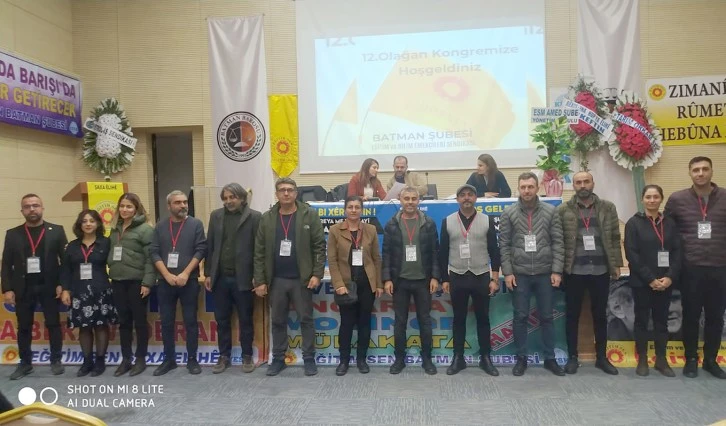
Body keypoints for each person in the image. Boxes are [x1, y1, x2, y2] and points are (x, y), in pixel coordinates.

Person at [253, 178, 326, 376]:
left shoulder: (309, 214)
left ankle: (309, 359)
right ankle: (278, 359)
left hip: (302, 279)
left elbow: (319, 247)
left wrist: (317, 274)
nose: (286, 193)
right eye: (282, 190)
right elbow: (259, 251)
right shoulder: (267, 218)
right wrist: (260, 281)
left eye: (290, 190)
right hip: (276, 279)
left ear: (296, 193)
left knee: (306, 320)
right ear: (276, 194)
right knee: (277, 321)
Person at [664, 156, 726, 379]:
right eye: (696, 170)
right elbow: (666, 233)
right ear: (690, 173)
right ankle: (691, 359)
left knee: (715, 317)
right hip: (690, 268)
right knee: (690, 315)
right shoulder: (677, 199)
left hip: (720, 267)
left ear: (711, 171)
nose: (700, 173)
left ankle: (710, 360)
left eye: (704, 169)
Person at [558, 171, 623, 375]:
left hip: (600, 269)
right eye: (578, 182)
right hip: (574, 271)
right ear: (573, 186)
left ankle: (601, 358)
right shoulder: (563, 210)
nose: (583, 185)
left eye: (586, 181)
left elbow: (615, 237)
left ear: (593, 183)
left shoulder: (607, 207)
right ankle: (572, 357)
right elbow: (559, 241)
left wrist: (617, 264)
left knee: (600, 315)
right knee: (572, 316)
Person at [500, 172, 564, 376]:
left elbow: (558, 242)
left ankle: (550, 359)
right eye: (523, 187)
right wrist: (508, 273)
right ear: (518, 189)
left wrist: (557, 270)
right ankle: (521, 358)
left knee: (547, 317)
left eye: (530, 187)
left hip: (545, 273)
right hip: (520, 274)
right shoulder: (508, 213)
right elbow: (504, 245)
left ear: (537, 188)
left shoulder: (551, 211)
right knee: (520, 317)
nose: (526, 190)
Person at [2, 194, 67, 380]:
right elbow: (6, 264)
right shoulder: (12, 234)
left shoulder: (56, 231)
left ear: (42, 208)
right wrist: (7, 288)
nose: (32, 209)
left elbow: (65, 262)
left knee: (53, 324)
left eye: (35, 205)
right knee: (24, 326)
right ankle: (25, 363)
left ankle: (56, 360)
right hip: (23, 287)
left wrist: (62, 284)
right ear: (22, 210)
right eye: (27, 206)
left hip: (49, 287)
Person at [439, 184, 501, 376]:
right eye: (463, 195)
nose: (466, 198)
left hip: (481, 275)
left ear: (475, 198)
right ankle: (458, 358)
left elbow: (494, 251)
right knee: (459, 319)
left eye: (470, 195)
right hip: (457, 276)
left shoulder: (486, 220)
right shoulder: (447, 221)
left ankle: (485, 358)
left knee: (483, 318)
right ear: (458, 199)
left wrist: (495, 278)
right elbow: (442, 253)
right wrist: (444, 279)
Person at [624, 184, 682, 377]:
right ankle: (642, 359)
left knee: (661, 322)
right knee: (641, 320)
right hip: (642, 282)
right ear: (642, 200)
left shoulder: (670, 223)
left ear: (661, 199)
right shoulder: (634, 223)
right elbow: (632, 254)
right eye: (648, 197)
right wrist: (650, 279)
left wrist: (670, 277)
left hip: (665, 281)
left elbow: (677, 252)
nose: (652, 200)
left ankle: (661, 360)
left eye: (656, 197)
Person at [382, 186, 440, 375]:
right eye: (406, 198)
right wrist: (387, 279)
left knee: (425, 321)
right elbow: (386, 253)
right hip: (400, 281)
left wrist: (435, 276)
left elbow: (435, 252)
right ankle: (399, 359)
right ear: (400, 200)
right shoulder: (392, 224)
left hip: (423, 281)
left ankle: (427, 359)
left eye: (413, 199)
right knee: (400, 322)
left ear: (418, 200)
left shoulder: (428, 223)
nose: (410, 202)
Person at [204, 183, 260, 374]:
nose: (228, 201)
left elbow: (259, 250)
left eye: (232, 197)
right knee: (221, 321)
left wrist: (257, 276)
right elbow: (210, 246)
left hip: (243, 278)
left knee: (245, 320)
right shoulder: (216, 216)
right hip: (220, 278)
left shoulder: (255, 217)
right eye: (225, 198)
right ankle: (224, 356)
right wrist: (208, 273)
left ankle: (247, 356)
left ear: (242, 198)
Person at [150, 191, 207, 376]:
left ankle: (192, 359)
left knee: (190, 321)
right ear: (169, 206)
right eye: (178, 202)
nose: (183, 205)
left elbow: (201, 250)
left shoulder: (196, 224)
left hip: (188, 281)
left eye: (185, 202)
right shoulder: (160, 226)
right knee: (166, 322)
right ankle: (169, 360)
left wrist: (185, 273)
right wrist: (166, 274)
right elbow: (154, 252)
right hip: (165, 282)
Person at [328, 195, 383, 376]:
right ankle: (344, 361)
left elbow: (376, 258)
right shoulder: (335, 230)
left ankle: (361, 360)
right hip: (346, 285)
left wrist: (378, 284)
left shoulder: (370, 230)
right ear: (345, 209)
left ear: (361, 210)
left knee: (364, 322)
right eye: (350, 207)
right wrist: (338, 284)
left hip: (367, 283)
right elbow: (332, 261)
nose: (353, 210)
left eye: (357, 207)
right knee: (346, 323)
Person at [60, 209, 118, 377]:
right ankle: (87, 361)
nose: (88, 224)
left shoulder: (106, 243)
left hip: (101, 290)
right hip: (79, 291)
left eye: (92, 221)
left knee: (101, 326)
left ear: (98, 224)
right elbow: (65, 270)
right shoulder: (72, 246)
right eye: (84, 221)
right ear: (79, 224)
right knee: (84, 327)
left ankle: (100, 361)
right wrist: (65, 290)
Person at [108, 193, 155, 377]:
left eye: (129, 206)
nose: (125, 209)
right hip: (118, 281)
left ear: (136, 209)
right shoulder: (115, 229)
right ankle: (126, 359)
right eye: (122, 206)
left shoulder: (145, 229)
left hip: (137, 282)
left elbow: (151, 258)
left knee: (140, 322)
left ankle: (140, 358)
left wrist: (147, 282)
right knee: (124, 322)